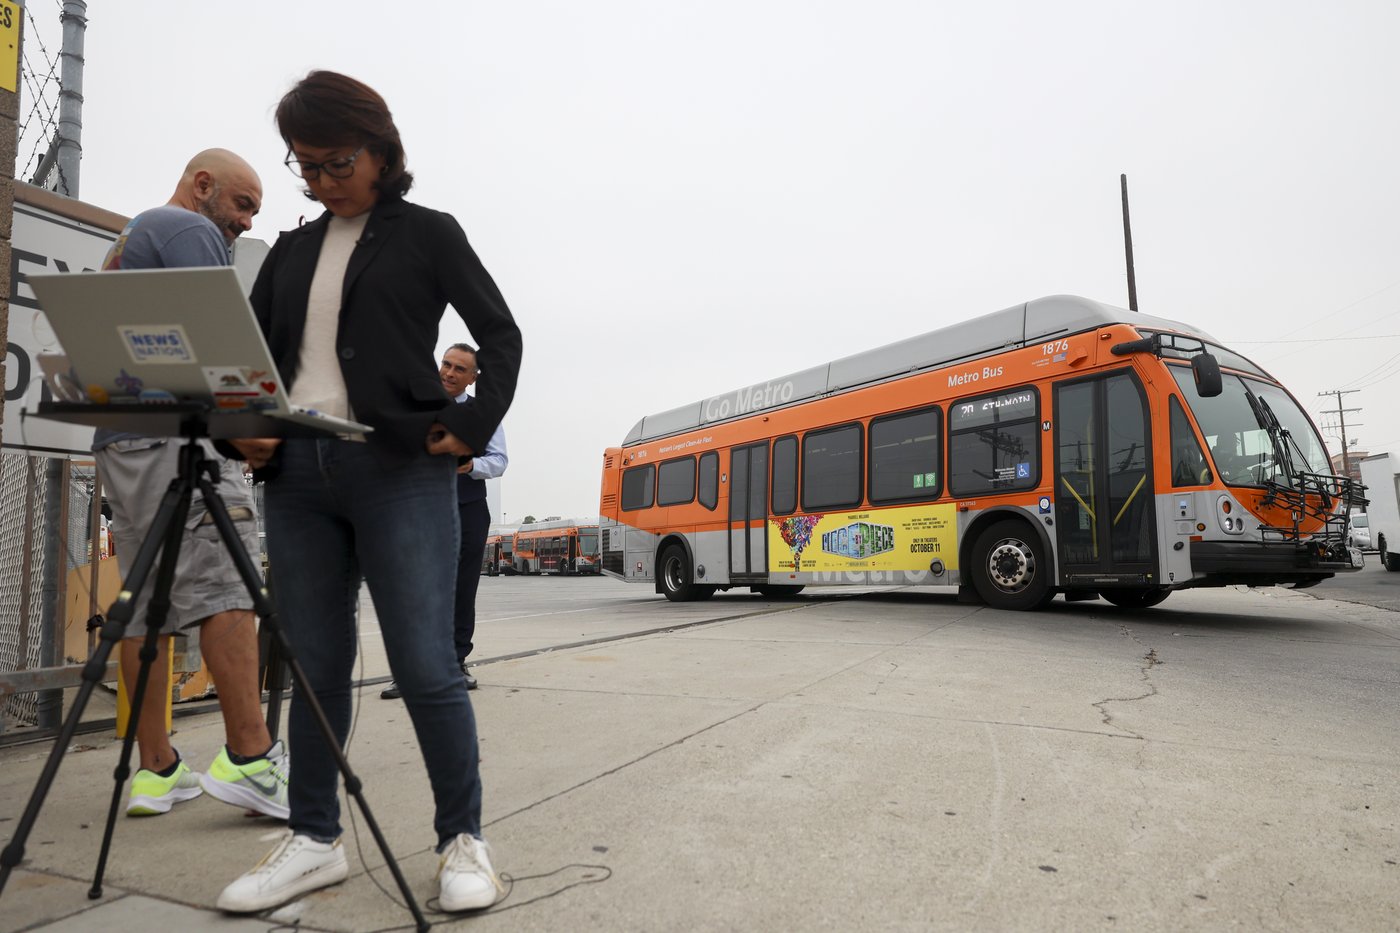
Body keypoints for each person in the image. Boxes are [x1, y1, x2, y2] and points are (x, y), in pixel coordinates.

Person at [216, 71, 522, 915]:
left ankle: (464, 838)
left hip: (400, 473)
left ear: (381, 150)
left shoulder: (429, 234)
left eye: (334, 161)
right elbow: (242, 359)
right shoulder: (290, 250)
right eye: (303, 166)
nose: (318, 180)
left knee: (426, 662)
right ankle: (314, 839)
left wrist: (470, 425)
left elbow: (500, 333)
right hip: (299, 478)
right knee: (314, 667)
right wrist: (236, 425)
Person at [92, 149, 290, 820]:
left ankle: (156, 768)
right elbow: (217, 345)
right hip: (183, 439)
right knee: (225, 590)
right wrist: (257, 435)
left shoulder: (133, 239)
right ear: (203, 185)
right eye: (242, 204)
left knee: (145, 602)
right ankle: (251, 756)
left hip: (125, 440)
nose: (242, 223)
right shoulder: (188, 230)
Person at [381, 343, 508, 700]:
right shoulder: (418, 405)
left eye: (459, 369)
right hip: (419, 506)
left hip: (467, 507)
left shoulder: (484, 413)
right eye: (446, 365)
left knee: (462, 588)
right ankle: (408, 669)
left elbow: (499, 460)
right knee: (415, 588)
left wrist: (471, 466)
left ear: (473, 378)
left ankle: (455, 662)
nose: (449, 373)